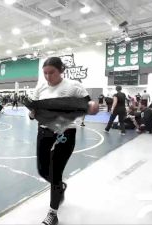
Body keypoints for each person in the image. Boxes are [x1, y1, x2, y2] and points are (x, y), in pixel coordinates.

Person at [30, 57, 98, 225]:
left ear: (61, 70)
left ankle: (52, 214)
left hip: (65, 132)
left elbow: (88, 104)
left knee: (55, 171)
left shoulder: (73, 86)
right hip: (44, 131)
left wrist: (92, 107)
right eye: (45, 73)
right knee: (42, 169)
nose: (47, 76)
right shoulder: (41, 87)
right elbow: (34, 110)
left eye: (51, 72)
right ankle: (60, 186)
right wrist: (32, 113)